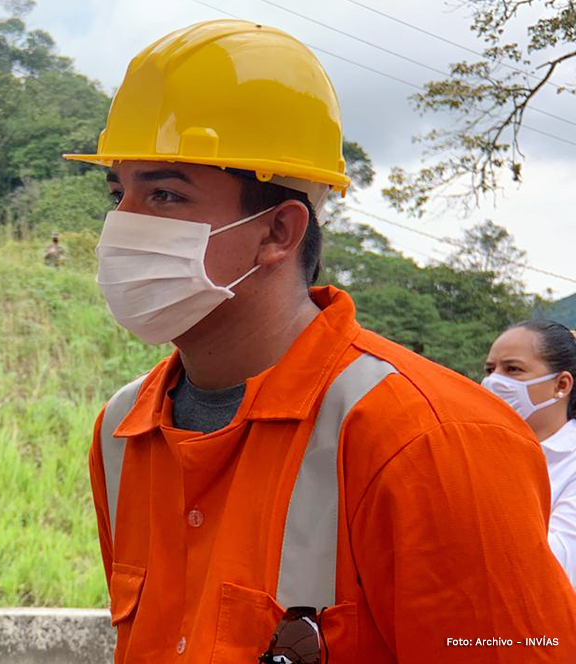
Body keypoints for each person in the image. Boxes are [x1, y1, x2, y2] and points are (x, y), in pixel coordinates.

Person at [64, 19, 576, 664]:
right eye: (118, 193)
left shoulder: (433, 439)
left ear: (278, 231)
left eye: (165, 194)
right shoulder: (124, 429)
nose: (122, 226)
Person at [484, 320, 576, 585]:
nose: (493, 382)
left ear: (560, 385)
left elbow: (556, 567)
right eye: (490, 370)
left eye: (513, 369)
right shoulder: (487, 447)